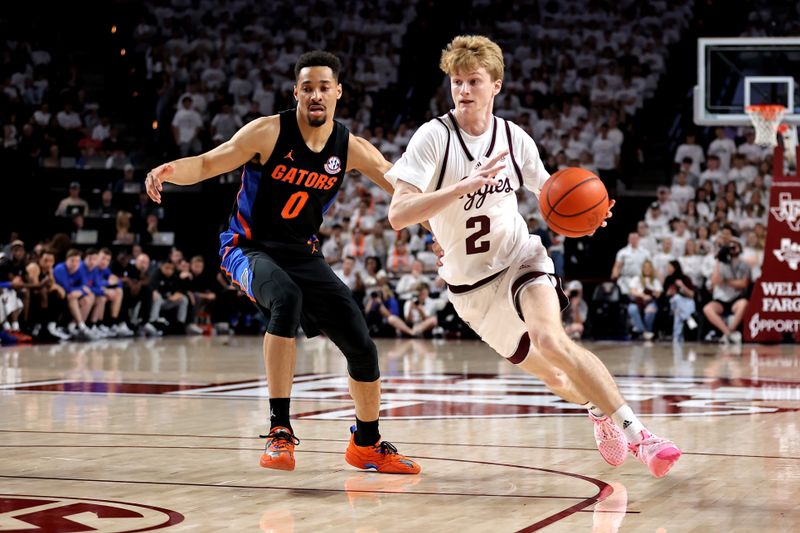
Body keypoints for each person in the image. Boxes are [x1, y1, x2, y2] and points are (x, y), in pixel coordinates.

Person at [386, 35, 680, 477]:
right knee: (555, 377)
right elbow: (398, 213)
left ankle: (641, 436)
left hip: (521, 259)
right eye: (457, 82)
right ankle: (595, 409)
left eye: (473, 81)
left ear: (496, 85)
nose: (463, 90)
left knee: (551, 338)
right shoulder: (433, 138)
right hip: (471, 292)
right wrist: (462, 187)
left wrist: (589, 214)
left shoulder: (512, 138)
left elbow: (550, 194)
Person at [145, 51, 419, 475]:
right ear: (295, 92)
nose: (315, 94)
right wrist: (168, 170)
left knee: (361, 342)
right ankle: (279, 430)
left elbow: (397, 183)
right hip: (247, 247)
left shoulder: (349, 147)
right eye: (307, 87)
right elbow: (207, 163)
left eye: (324, 87)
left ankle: (366, 443)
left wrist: (440, 227)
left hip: (303, 253)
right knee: (285, 300)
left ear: (338, 93)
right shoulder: (268, 133)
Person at [702, 239, 750, 344]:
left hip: (735, 298)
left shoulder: (744, 265)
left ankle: (731, 330)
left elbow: (743, 284)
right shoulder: (719, 264)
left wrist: (725, 281)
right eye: (730, 248)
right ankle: (728, 333)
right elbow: (715, 281)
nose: (732, 250)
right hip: (720, 299)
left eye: (734, 247)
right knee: (707, 309)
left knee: (744, 304)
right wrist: (719, 259)